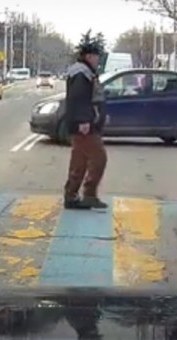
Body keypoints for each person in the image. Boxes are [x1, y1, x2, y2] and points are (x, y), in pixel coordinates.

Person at [63, 33, 108, 210]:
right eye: (96, 56)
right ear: (89, 56)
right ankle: (88, 194)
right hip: (84, 125)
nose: (98, 60)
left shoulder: (84, 71)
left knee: (80, 161)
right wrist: (84, 120)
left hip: (84, 123)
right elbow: (79, 98)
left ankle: (71, 195)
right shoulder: (82, 73)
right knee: (99, 157)